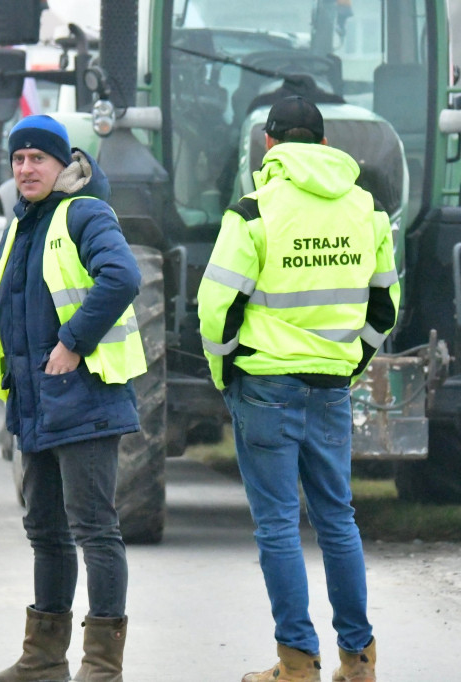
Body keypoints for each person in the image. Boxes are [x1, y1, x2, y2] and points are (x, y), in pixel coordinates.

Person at [197, 96, 399, 682]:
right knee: (338, 520)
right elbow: (385, 305)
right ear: (325, 144)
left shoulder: (254, 211)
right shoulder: (367, 210)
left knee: (280, 525)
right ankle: (358, 661)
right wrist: (351, 360)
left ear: (269, 144)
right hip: (331, 385)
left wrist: (224, 371)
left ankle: (297, 663)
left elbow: (216, 308)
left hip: (265, 386)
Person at [0, 114, 146, 682]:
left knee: (94, 529)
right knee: (45, 532)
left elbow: (121, 276)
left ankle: (101, 667)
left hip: (86, 402)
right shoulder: (21, 225)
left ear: (61, 163)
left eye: (37, 159)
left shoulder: (84, 212)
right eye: (18, 159)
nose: (26, 168)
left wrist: (73, 341)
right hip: (37, 405)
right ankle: (43, 661)